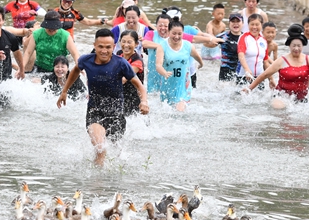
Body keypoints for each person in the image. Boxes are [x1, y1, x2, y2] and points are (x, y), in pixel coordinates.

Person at [57, 28, 149, 167]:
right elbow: (76, 70)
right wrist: (64, 91)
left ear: (113, 47)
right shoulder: (85, 60)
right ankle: (97, 182)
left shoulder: (121, 63)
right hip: (95, 110)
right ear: (94, 45)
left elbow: (139, 85)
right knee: (101, 148)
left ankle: (108, 183)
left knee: (115, 157)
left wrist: (144, 101)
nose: (104, 51)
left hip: (116, 112)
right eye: (100, 46)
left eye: (108, 47)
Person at [243, 24, 309, 107]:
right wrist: (249, 88)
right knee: (279, 108)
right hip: (281, 96)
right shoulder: (282, 60)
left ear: (303, 46)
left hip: (301, 98)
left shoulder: (308, 59)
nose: (296, 48)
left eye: (299, 46)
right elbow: (264, 75)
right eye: (294, 46)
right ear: (289, 46)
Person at [154, 19, 202, 111]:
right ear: (168, 32)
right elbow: (158, 65)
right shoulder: (162, 46)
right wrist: (164, 73)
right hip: (167, 84)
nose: (176, 36)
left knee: (179, 111)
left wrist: (201, 64)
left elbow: (196, 56)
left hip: (183, 85)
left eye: (179, 34)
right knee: (167, 112)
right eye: (174, 33)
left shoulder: (188, 46)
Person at [117, 30, 145, 115]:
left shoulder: (137, 61)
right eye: (123, 42)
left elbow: (123, 80)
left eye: (129, 42)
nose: (126, 45)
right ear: (119, 42)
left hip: (133, 100)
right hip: (120, 97)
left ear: (136, 44)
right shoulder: (119, 55)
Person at [237, 13, 269, 83]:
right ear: (248, 25)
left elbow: (265, 61)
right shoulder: (244, 37)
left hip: (259, 78)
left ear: (261, 25)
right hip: (244, 76)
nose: (254, 27)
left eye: (257, 24)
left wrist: (271, 79)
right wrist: (247, 70)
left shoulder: (263, 40)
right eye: (252, 24)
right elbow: (241, 55)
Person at [217, 12, 243, 82]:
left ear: (242, 23)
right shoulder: (223, 36)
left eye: (238, 21)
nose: (235, 23)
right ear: (229, 23)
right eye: (233, 21)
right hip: (225, 72)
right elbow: (210, 41)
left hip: (240, 71)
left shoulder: (246, 37)